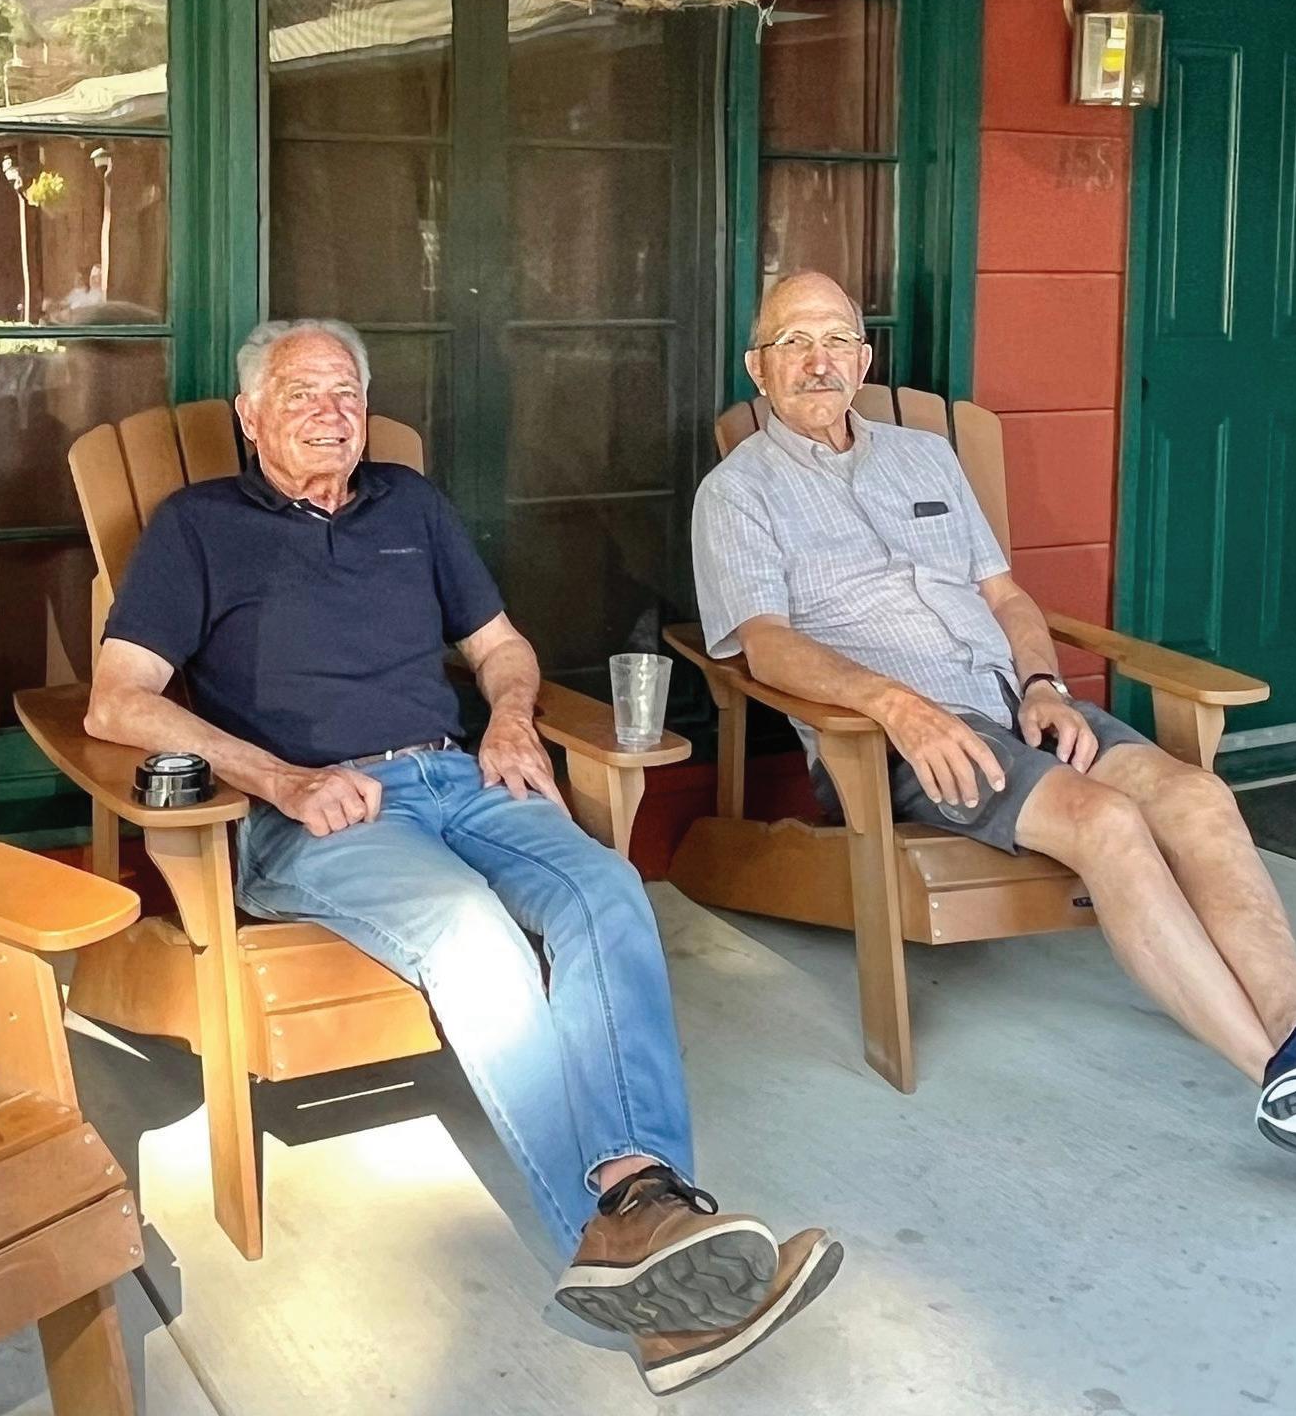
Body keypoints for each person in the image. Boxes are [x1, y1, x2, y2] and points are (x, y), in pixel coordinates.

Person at [84, 316, 840, 1396]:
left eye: (348, 393)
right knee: (473, 933)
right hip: (323, 813)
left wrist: (514, 719)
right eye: (301, 394)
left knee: (606, 890)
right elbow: (118, 702)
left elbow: (500, 647)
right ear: (248, 416)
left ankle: (648, 1216)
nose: (332, 413)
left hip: (463, 777)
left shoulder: (411, 504)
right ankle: (626, 1232)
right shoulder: (199, 526)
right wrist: (281, 779)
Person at [691, 270, 1296, 1204]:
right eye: (792, 342)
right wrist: (899, 708)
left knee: (1197, 796)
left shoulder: (925, 458)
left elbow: (1005, 598)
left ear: (865, 360)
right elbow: (768, 644)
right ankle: (1285, 1081)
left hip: (1014, 702)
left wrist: (1043, 683)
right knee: (1107, 824)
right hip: (907, 737)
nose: (818, 361)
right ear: (757, 367)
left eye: (836, 340)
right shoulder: (737, 493)